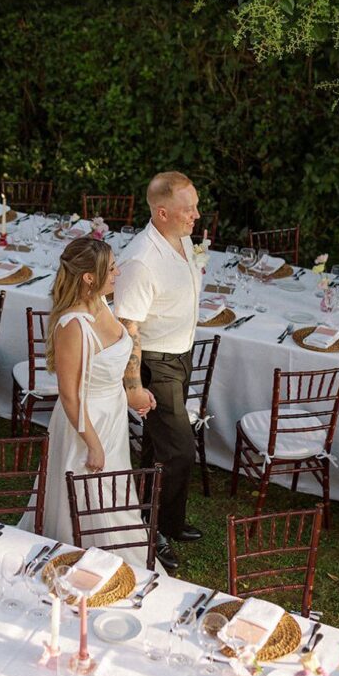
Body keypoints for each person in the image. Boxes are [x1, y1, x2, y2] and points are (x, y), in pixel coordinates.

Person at [33, 236, 158, 568]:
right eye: (111, 269)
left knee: (115, 491)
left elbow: (111, 362)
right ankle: (83, 560)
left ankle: (121, 555)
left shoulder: (102, 302)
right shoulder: (72, 325)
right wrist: (92, 443)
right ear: (89, 277)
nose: (118, 273)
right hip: (85, 421)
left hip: (113, 413)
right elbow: (69, 393)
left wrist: (132, 393)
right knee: (88, 493)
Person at [114, 171, 201, 572]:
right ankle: (156, 530)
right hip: (156, 363)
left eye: (196, 206)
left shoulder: (182, 239)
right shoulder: (141, 261)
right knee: (179, 449)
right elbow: (127, 327)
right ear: (162, 213)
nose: (196, 215)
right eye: (188, 209)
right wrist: (133, 386)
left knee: (156, 447)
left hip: (180, 355)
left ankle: (160, 520)